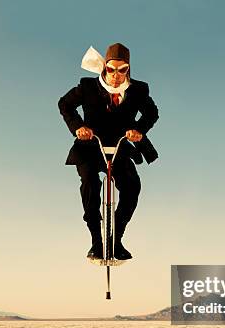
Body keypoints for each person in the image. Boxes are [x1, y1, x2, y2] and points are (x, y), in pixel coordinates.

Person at [58, 43, 159, 260]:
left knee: (132, 186)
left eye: (122, 70)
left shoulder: (138, 90)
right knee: (91, 186)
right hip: (90, 148)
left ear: (128, 69)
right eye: (111, 69)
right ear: (105, 67)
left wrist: (138, 131)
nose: (116, 76)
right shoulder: (87, 87)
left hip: (120, 148)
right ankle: (96, 242)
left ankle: (116, 239)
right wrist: (78, 127)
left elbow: (152, 113)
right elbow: (65, 104)